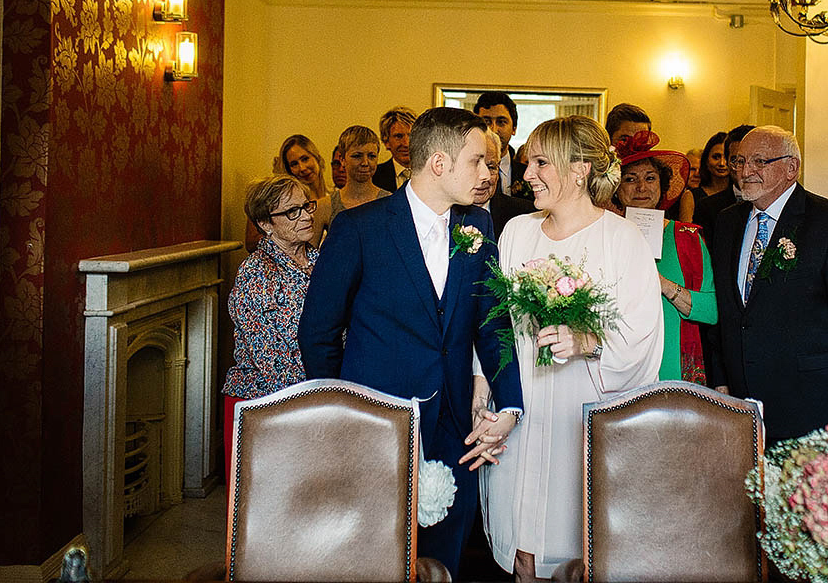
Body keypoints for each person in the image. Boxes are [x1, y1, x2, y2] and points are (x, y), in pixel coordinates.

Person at [299, 108, 523, 578]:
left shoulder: (477, 228)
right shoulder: (360, 228)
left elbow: (493, 323)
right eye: (477, 161)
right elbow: (318, 332)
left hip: (455, 427)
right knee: (371, 558)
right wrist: (346, 410)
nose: (487, 173)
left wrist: (510, 406)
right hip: (377, 426)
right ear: (439, 164)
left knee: (445, 561)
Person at [476, 115, 663, 581]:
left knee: (575, 551)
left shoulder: (621, 239)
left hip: (580, 412)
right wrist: (482, 386)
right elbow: (491, 319)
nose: (527, 175)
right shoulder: (517, 231)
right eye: (527, 163)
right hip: (517, 409)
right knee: (520, 546)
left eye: (541, 162)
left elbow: (642, 336)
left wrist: (588, 341)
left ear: (580, 169)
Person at [708, 126, 828, 441]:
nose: (746, 172)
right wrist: (721, 378)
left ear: (791, 168)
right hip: (740, 407)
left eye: (759, 162)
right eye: (740, 161)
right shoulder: (727, 222)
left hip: (809, 407)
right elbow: (726, 309)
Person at [221, 175, 319, 485]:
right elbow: (269, 357)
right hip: (266, 407)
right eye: (292, 211)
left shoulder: (319, 259)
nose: (306, 215)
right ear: (266, 223)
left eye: (306, 206)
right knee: (269, 513)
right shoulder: (256, 273)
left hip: (312, 401)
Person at [611, 130, 717, 383]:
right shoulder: (603, 236)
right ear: (616, 187)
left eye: (650, 178)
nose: (641, 187)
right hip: (617, 369)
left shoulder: (688, 237)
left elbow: (710, 311)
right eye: (630, 179)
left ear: (662, 186)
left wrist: (663, 285)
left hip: (673, 368)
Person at [244, 134, 332, 252]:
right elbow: (251, 244)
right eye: (294, 164)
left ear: (316, 157)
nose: (302, 168)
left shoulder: (334, 197)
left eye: (305, 159)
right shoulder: (279, 200)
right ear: (288, 169)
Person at [475, 129, 535, 238]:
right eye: (475, 166)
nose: (484, 176)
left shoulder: (526, 215)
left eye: (491, 167)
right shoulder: (443, 215)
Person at [473, 91, 528, 198]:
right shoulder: (463, 171)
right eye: (486, 122)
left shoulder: (528, 175)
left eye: (501, 122)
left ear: (514, 128)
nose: (493, 130)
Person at [331, 125, 389, 218]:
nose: (365, 163)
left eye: (371, 156)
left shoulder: (390, 202)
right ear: (342, 160)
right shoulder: (326, 206)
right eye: (357, 156)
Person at [372, 105, 417, 192]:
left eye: (411, 136)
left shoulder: (433, 174)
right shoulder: (374, 176)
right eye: (399, 136)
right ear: (386, 142)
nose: (406, 143)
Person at [691, 131, 730, 203]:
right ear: (706, 160)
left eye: (726, 157)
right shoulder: (691, 196)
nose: (722, 163)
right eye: (716, 157)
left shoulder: (741, 194)